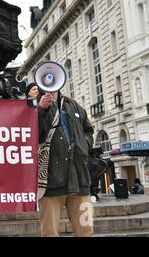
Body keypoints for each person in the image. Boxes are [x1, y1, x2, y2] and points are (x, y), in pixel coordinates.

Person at [37, 89, 94, 237]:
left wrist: (84, 145)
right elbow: (32, 134)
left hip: (79, 179)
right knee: (49, 232)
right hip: (50, 182)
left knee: (85, 231)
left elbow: (88, 130)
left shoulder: (72, 105)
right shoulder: (36, 106)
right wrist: (40, 110)